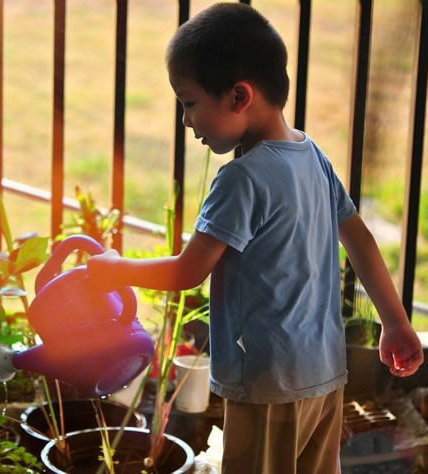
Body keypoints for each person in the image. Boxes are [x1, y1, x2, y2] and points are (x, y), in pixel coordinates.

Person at [87, 3, 424, 473]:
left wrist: (114, 270)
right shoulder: (312, 156)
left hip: (268, 383)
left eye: (189, 102)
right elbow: (361, 240)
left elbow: (188, 271)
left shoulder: (242, 179)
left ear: (239, 96)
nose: (186, 120)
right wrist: (395, 322)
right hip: (326, 374)